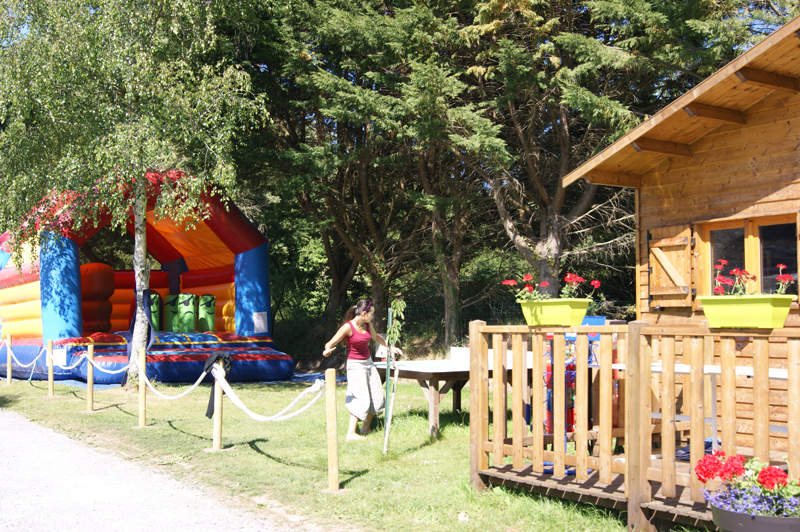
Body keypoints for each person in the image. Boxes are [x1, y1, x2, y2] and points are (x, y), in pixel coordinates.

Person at [323, 299, 402, 441]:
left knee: (377, 396)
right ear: (364, 313)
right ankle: (351, 433)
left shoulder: (367, 324)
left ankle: (366, 427)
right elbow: (329, 343)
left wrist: (390, 347)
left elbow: (376, 337)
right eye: (371, 314)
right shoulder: (347, 327)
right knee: (362, 398)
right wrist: (327, 350)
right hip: (355, 366)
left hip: (369, 364)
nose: (372, 317)